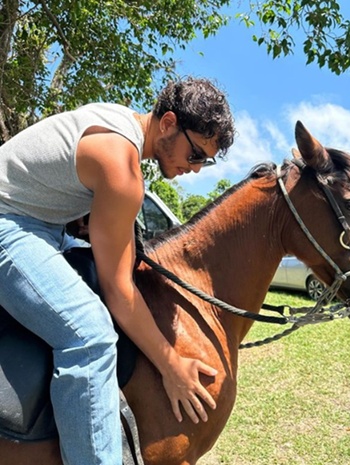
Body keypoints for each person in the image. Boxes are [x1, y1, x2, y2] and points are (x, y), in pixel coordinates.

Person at [0, 77, 235, 465]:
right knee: (89, 335)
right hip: (10, 223)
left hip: (41, 223)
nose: (195, 169)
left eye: (204, 161)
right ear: (168, 123)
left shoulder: (120, 122)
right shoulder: (121, 165)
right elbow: (119, 290)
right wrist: (172, 366)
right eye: (195, 154)